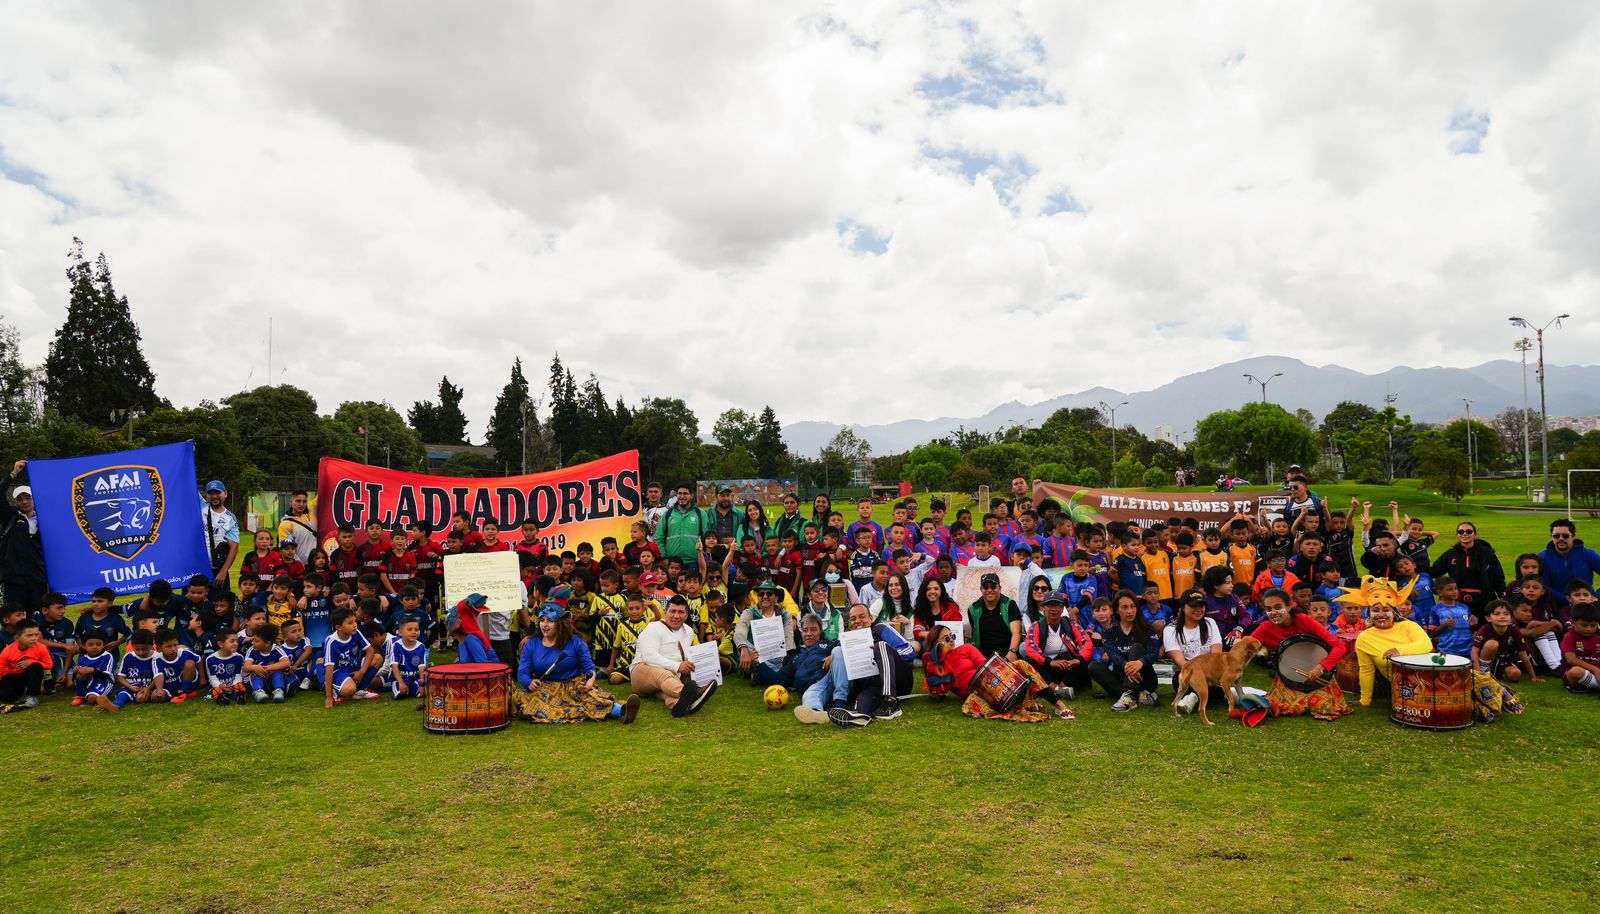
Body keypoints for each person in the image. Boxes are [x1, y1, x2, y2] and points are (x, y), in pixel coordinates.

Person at [512, 601, 639, 723]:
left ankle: (621, 710)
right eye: (542, 620)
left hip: (573, 685)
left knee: (589, 696)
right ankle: (604, 711)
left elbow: (589, 667)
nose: (544, 625)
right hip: (545, 688)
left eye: (550, 621)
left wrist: (589, 683)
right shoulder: (531, 644)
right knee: (522, 700)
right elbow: (522, 672)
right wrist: (529, 682)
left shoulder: (575, 641)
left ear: (560, 623)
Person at [794, 603, 916, 727]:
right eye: (853, 618)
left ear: (871, 618)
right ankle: (818, 710)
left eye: (862, 617)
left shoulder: (881, 628)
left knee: (881, 646)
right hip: (872, 686)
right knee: (862, 703)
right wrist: (834, 655)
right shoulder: (846, 640)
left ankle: (891, 702)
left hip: (897, 680)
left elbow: (909, 651)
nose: (857, 621)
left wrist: (883, 654)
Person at [1249, 587, 1351, 719]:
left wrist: (1320, 668)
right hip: (1288, 679)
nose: (1273, 612)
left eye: (1278, 607)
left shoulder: (1305, 620)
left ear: (1289, 606)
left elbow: (1339, 647)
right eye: (1269, 609)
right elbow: (1247, 644)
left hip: (1319, 676)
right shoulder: (1265, 628)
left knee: (1325, 707)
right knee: (1286, 708)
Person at [1351, 579, 1436, 707]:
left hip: (1433, 674)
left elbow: (1426, 644)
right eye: (1375, 610)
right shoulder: (1364, 638)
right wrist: (1365, 700)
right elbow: (1366, 671)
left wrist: (1399, 651)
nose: (1380, 614)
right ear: (1369, 614)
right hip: (1407, 688)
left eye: (1386, 609)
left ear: (1394, 612)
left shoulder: (1408, 626)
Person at [629, 594, 717, 717]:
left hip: (669, 679)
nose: (676, 616)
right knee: (665, 676)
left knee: (667, 692)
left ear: (686, 615)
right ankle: (691, 693)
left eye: (681, 612)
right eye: (672, 611)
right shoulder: (653, 627)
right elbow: (649, 656)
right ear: (665, 612)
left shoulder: (689, 631)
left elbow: (682, 658)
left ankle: (679, 705)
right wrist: (677, 666)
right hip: (641, 673)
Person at [1094, 590, 1161, 712]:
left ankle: (1129, 695)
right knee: (1093, 666)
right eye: (1124, 607)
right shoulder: (1109, 631)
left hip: (1145, 677)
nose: (1130, 611)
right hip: (1121, 674)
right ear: (1116, 610)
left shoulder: (1147, 628)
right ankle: (1136, 695)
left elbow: (1154, 653)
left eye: (1132, 606)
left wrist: (1140, 662)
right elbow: (1112, 654)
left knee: (1137, 648)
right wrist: (1126, 665)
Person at [1021, 595, 1091, 711]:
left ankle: (1061, 686)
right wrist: (1050, 662)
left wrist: (1077, 660)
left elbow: (1086, 642)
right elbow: (1031, 647)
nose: (1054, 609)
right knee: (1029, 659)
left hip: (1066, 667)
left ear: (1062, 608)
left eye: (1058, 605)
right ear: (1043, 608)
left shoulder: (1071, 625)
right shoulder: (1036, 626)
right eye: (1050, 605)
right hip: (1047, 668)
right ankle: (1054, 687)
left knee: (1083, 659)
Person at [1162, 590, 1223, 714]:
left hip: (1211, 674)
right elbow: (1182, 663)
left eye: (1201, 606)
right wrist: (1201, 678)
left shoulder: (1210, 623)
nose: (1198, 609)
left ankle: (1193, 698)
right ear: (1183, 608)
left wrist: (1209, 675)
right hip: (1188, 674)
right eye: (1193, 606)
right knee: (1178, 679)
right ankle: (1205, 695)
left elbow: (1217, 657)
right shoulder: (1170, 630)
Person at [1430, 521, 1504, 623]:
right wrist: (1413, 566)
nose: (1465, 534)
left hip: (1484, 600)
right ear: (1457, 535)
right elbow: (1435, 571)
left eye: (1469, 531)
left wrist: (1503, 597)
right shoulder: (1451, 554)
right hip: (1459, 602)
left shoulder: (1487, 554)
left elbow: (1498, 577)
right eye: (1461, 531)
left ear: (1475, 535)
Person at [1, 460, 46, 612]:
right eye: (20, 499)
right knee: (12, 621)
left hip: (38, 581)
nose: (24, 502)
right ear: (15, 503)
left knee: (37, 622)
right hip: (14, 581)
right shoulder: (11, 517)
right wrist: (14, 473)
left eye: (28, 498)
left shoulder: (46, 520)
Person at [734, 581, 797, 685]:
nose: (764, 596)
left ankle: (761, 673)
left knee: (789, 655)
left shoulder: (785, 615)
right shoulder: (749, 613)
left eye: (769, 593)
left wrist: (788, 656)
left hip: (777, 655)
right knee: (744, 643)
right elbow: (740, 630)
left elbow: (788, 637)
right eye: (761, 594)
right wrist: (744, 650)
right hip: (755, 654)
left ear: (776, 598)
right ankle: (772, 674)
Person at [1473, 600, 1537, 683]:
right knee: (1492, 644)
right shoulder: (1484, 630)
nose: (1502, 616)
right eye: (1497, 614)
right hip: (1488, 661)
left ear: (1511, 618)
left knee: (1516, 674)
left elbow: (1523, 654)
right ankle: (1484, 672)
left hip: (1505, 661)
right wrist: (1478, 673)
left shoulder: (1514, 630)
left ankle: (1500, 675)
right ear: (1488, 618)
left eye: (1506, 614)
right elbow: (1474, 651)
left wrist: (1533, 677)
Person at [966, 572, 1023, 661]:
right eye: (985, 587)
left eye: (993, 586)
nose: (989, 590)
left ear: (999, 588)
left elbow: (1017, 632)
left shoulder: (1010, 605)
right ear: (981, 589)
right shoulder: (973, 609)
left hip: (1007, 652)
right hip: (983, 656)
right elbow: (975, 634)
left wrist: (1012, 652)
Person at [1539, 519, 1600, 599]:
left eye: (1565, 535)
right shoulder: (1542, 558)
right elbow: (1542, 586)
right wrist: (1564, 599)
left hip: (1586, 603)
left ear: (1574, 536)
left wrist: (1596, 595)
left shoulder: (1589, 555)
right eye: (1556, 536)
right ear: (1551, 537)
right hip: (1557, 604)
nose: (1561, 538)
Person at [0, 619, 50, 712]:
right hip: (13, 677)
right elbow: (1, 669)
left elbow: (49, 665)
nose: (34, 638)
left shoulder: (41, 648)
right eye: (29, 635)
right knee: (5, 696)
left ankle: (33, 696)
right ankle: (20, 694)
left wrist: (31, 662)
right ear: (17, 638)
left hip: (31, 676)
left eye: (36, 634)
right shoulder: (8, 651)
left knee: (36, 666)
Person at [201, 480, 241, 591]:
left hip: (217, 570)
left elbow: (234, 547)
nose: (214, 496)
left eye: (217, 493)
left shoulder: (230, 518)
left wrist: (223, 572)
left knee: (220, 606)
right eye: (211, 493)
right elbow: (186, 483)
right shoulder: (199, 505)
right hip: (196, 568)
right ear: (206, 495)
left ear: (225, 493)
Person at [655, 484, 709, 566]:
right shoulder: (668, 514)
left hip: (695, 562)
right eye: (679, 493)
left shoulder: (700, 513)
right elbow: (659, 538)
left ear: (691, 495)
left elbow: (706, 537)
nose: (682, 496)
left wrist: (703, 557)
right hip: (673, 563)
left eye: (685, 493)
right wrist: (664, 558)